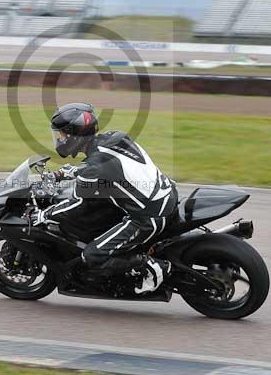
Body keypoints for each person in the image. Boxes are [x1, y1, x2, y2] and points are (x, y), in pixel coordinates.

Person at [31, 102, 177, 294]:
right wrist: (66, 173)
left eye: (63, 135)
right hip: (167, 193)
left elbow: (77, 203)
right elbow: (106, 169)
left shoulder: (95, 167)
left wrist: (45, 215)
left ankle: (151, 266)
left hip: (148, 217)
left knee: (92, 255)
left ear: (76, 136)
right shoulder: (114, 138)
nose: (60, 140)